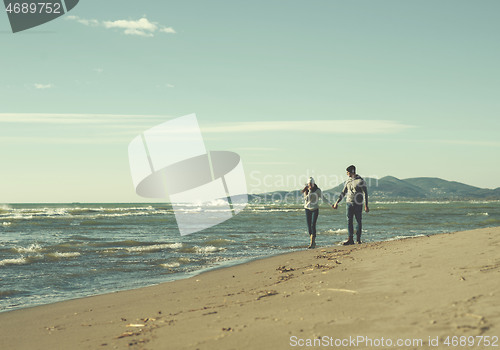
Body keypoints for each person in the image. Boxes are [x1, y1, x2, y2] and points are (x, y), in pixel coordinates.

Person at [332, 165, 369, 245]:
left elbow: (365, 193)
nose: (346, 173)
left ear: (352, 172)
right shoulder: (348, 181)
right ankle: (350, 239)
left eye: (348, 172)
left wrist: (366, 205)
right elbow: (343, 192)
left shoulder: (360, 181)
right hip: (349, 203)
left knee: (358, 221)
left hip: (358, 204)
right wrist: (337, 202)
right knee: (349, 221)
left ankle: (358, 239)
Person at [302, 177, 333, 249]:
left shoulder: (317, 190)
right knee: (309, 226)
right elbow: (306, 199)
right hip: (307, 209)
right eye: (308, 184)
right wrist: (309, 191)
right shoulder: (306, 190)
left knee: (313, 225)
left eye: (311, 184)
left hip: (315, 209)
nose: (309, 185)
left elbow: (324, 198)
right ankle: (312, 240)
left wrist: (331, 204)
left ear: (313, 184)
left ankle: (312, 242)